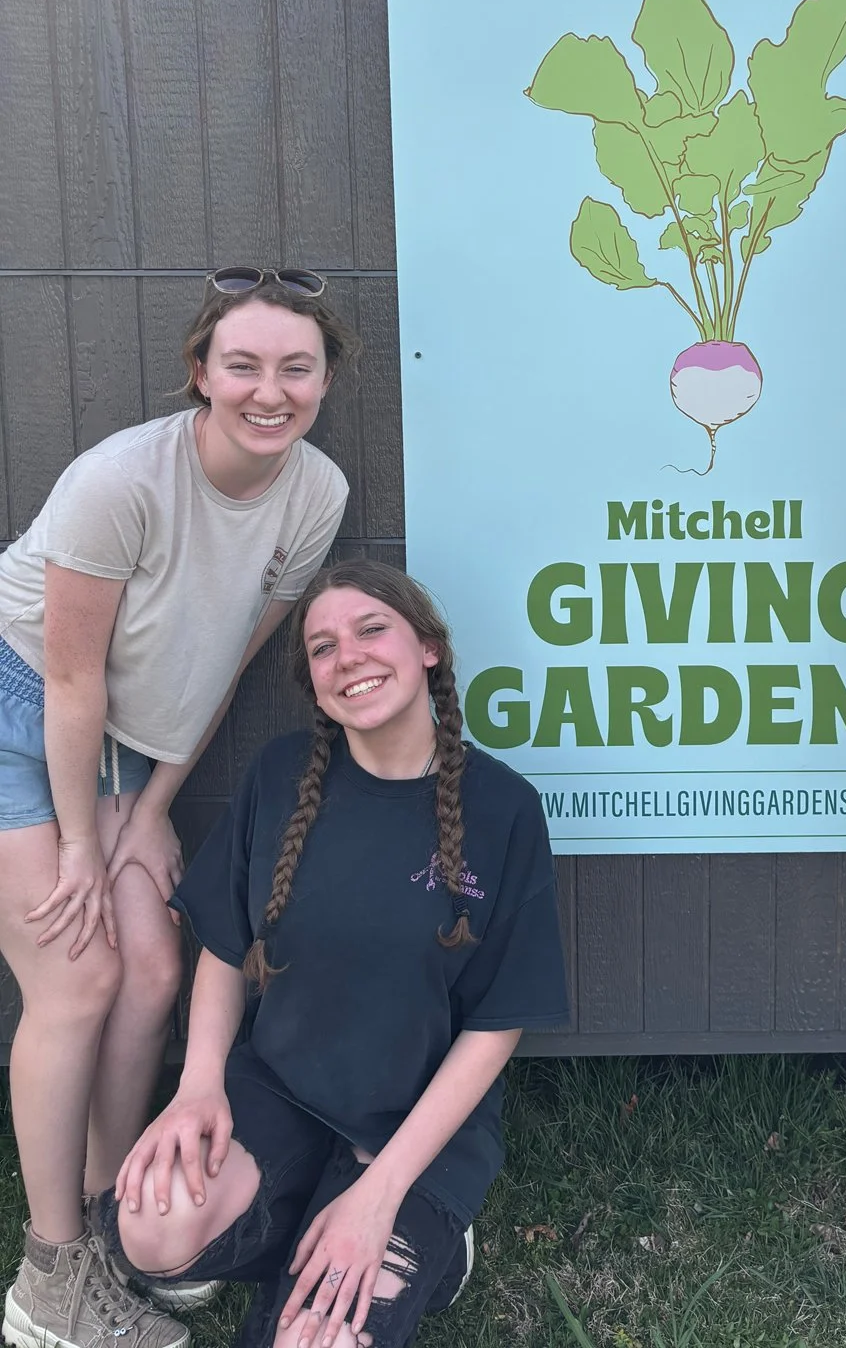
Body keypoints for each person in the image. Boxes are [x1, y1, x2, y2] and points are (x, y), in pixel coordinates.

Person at [1, 269, 357, 1348]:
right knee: (81, 970)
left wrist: (149, 809)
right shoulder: (119, 484)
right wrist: (78, 845)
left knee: (155, 966)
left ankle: (113, 1222)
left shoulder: (316, 494)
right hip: (24, 708)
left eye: (297, 368)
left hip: (119, 746)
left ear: (324, 380)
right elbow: (68, 687)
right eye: (243, 364)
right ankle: (49, 1278)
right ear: (199, 373)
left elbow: (222, 668)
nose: (270, 390)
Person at [92, 559, 570, 1348]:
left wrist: (382, 1192)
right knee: (150, 1228)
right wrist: (198, 1086)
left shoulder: (504, 808)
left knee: (322, 1339)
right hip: (280, 1087)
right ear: (313, 683)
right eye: (321, 647)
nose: (346, 656)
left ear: (429, 651)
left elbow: (497, 1026)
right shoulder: (280, 777)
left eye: (371, 629)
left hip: (415, 1127)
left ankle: (427, 1250)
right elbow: (221, 940)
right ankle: (295, 1215)